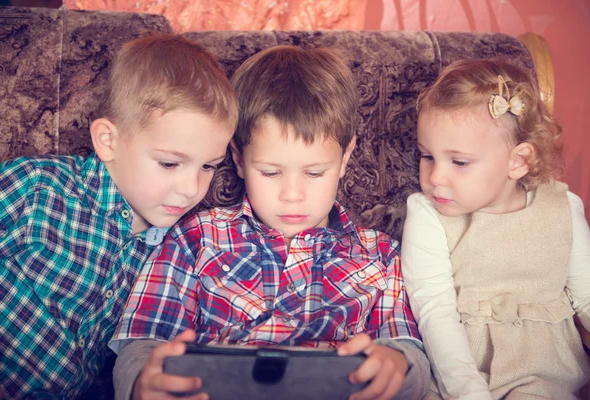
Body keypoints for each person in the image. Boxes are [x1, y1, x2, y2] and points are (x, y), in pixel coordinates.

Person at [109, 45, 431, 400]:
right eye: (270, 172)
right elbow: (141, 343)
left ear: (345, 158)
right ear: (239, 159)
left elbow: (409, 354)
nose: (291, 194)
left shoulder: (380, 256)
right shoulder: (196, 238)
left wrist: (398, 364)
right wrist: (142, 382)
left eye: (314, 172)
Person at [0, 34, 238, 399]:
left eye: (208, 167)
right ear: (108, 140)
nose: (191, 189)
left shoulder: (178, 248)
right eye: (169, 163)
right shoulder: (35, 189)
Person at [401, 58, 590, 399]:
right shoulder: (427, 214)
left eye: (459, 162)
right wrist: (469, 393)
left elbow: (587, 297)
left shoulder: (563, 208)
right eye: (427, 156)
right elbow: (434, 312)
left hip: (544, 378)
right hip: (454, 378)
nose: (435, 177)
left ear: (518, 161)